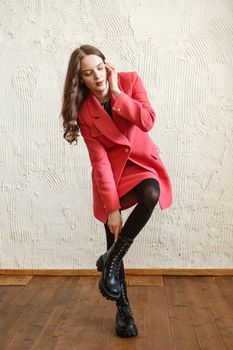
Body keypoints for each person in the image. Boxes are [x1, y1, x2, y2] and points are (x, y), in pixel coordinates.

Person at [60, 44, 172, 338]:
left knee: (151, 193)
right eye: (88, 73)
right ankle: (123, 311)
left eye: (100, 68)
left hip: (139, 164)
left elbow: (147, 121)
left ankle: (109, 260)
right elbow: (99, 162)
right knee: (114, 228)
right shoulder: (85, 112)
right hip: (111, 175)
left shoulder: (130, 80)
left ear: (106, 66)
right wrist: (112, 207)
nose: (96, 76)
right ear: (80, 80)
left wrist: (118, 93)